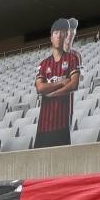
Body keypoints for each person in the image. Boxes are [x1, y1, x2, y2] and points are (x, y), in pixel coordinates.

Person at [33, 18, 80, 149]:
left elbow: (74, 84)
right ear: (51, 37)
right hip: (44, 124)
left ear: (66, 35)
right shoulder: (43, 64)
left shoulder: (72, 58)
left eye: (62, 33)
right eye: (56, 33)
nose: (59, 36)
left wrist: (51, 93)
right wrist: (61, 83)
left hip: (62, 122)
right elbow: (40, 87)